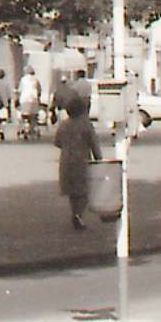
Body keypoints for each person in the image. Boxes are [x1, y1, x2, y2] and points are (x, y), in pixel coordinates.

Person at [55, 95, 103, 230]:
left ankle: (75, 213)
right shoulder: (86, 125)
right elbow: (94, 143)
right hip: (81, 159)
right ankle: (79, 214)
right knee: (84, 190)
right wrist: (99, 158)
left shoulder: (63, 125)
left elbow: (57, 142)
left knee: (72, 191)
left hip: (65, 160)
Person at [17, 67, 42, 139]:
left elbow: (20, 90)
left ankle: (25, 129)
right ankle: (34, 130)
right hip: (34, 99)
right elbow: (39, 91)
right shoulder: (36, 80)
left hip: (24, 99)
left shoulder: (23, 79)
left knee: (24, 116)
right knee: (33, 116)